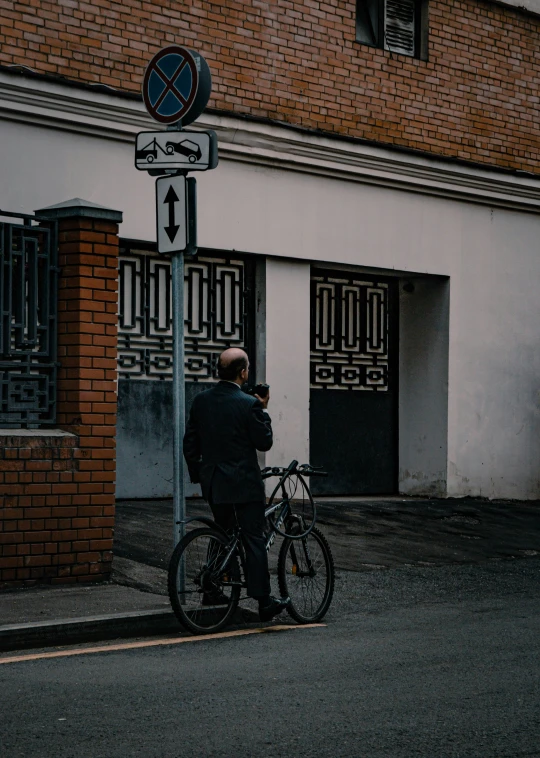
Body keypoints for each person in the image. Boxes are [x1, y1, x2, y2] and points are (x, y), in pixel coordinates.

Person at [183, 347, 290, 622]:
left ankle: (214, 587)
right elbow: (263, 441)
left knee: (224, 531)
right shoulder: (249, 404)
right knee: (253, 537)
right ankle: (264, 601)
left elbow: (190, 443)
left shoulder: (202, 401)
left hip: (214, 482)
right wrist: (263, 409)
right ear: (243, 372)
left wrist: (199, 474)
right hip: (243, 482)